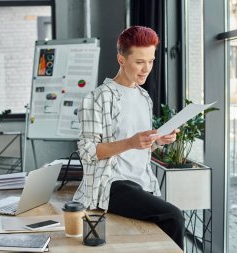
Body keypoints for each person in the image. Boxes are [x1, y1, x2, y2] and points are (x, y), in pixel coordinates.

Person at [73, 26, 185, 249]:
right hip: (112, 184)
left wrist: (157, 141)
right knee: (174, 217)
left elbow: (140, 147)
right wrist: (131, 142)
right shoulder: (98, 98)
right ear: (121, 59)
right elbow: (87, 152)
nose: (146, 69)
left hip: (142, 182)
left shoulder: (144, 97)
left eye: (151, 61)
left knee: (160, 232)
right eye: (139, 62)